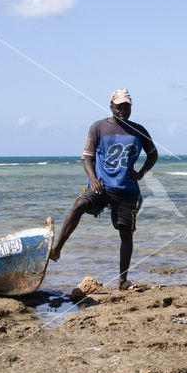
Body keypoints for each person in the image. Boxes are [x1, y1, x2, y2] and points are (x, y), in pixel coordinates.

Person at [50, 89, 158, 290]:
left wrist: (141, 173)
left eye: (126, 106)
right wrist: (93, 179)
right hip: (101, 186)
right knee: (80, 204)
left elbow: (153, 154)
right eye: (119, 107)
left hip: (127, 190)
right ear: (111, 107)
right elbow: (87, 157)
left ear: (131, 107)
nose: (122, 110)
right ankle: (56, 250)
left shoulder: (139, 130)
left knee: (126, 233)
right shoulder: (98, 127)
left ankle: (122, 280)